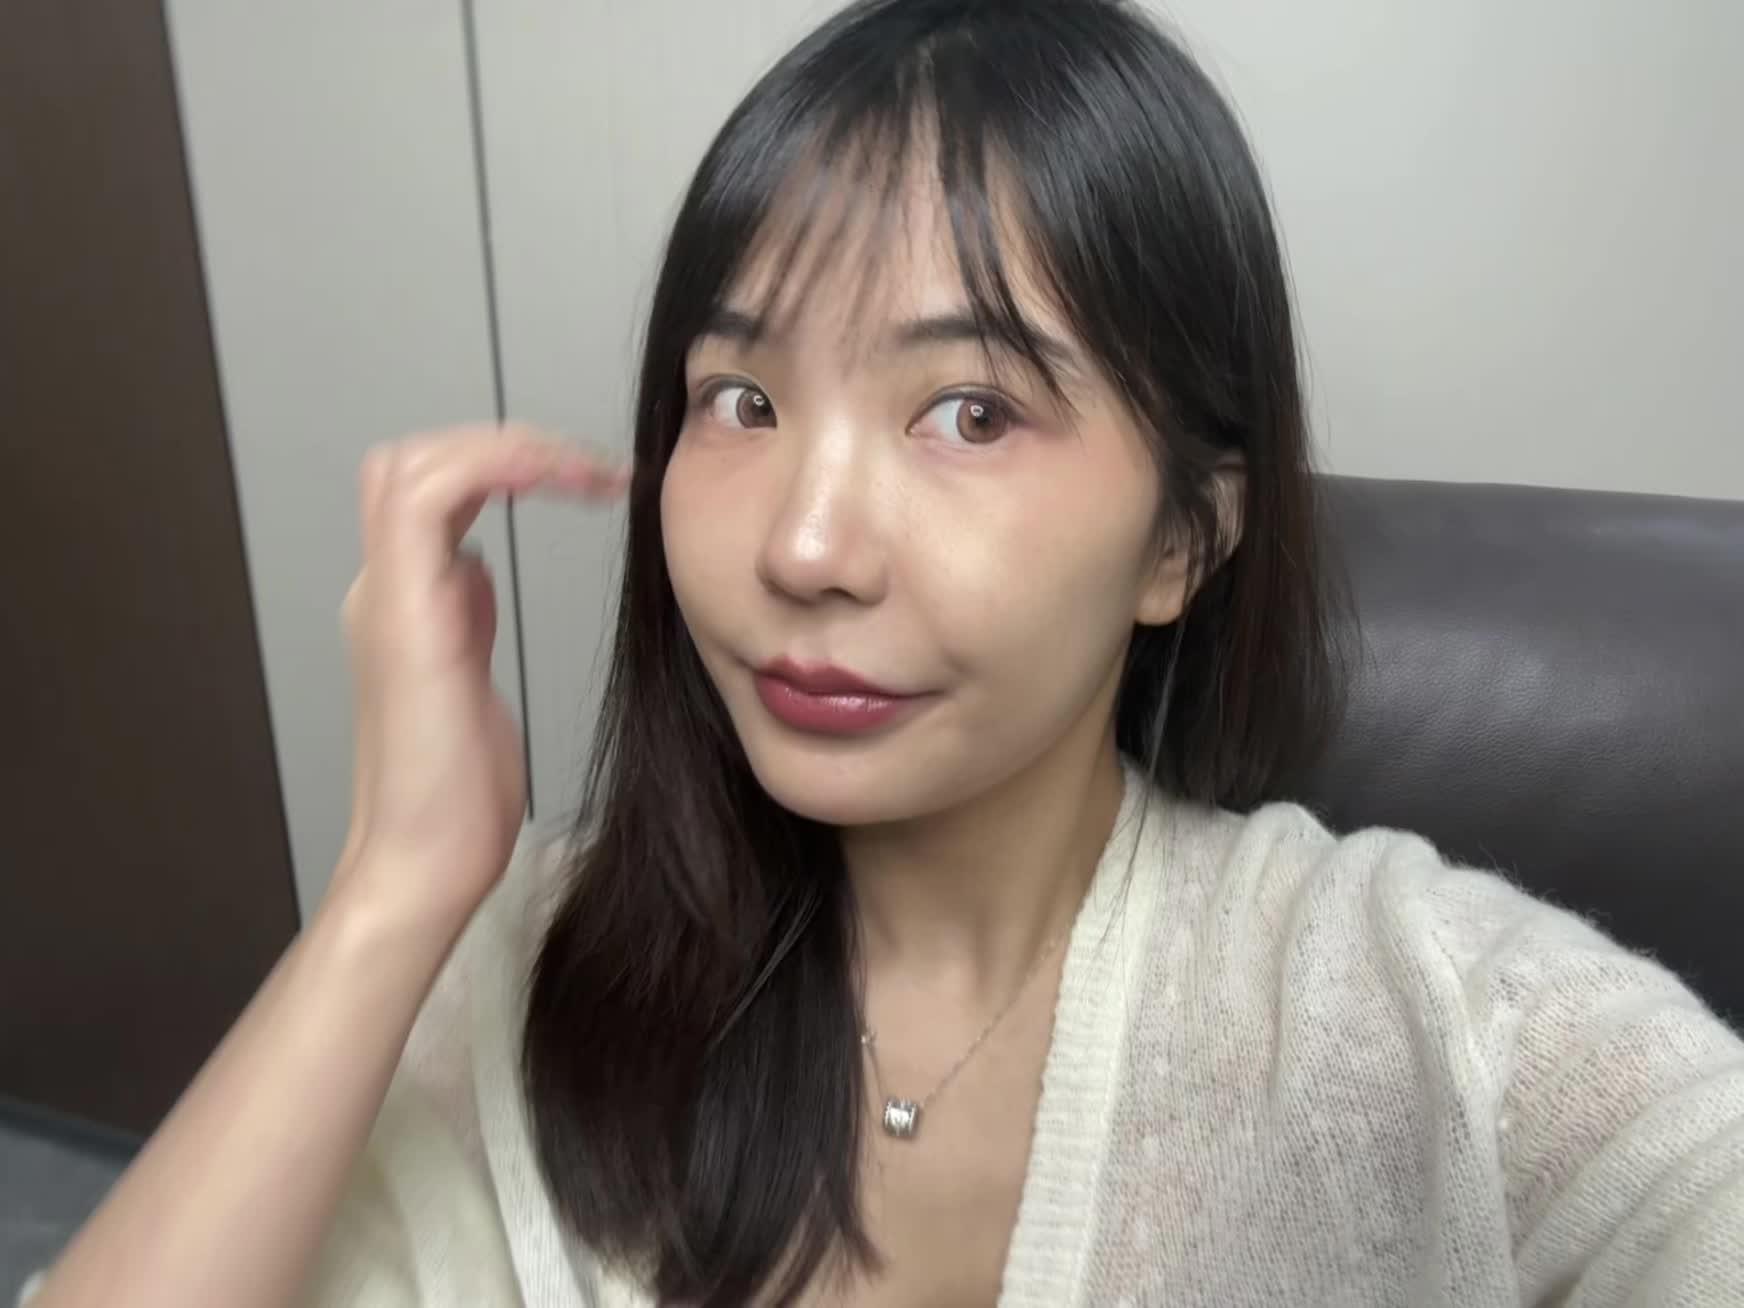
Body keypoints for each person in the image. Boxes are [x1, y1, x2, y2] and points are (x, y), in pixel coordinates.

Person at [28, 0, 1744, 1305]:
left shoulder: (1414, 1017)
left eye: (969, 411)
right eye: (742, 399)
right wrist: (393, 893)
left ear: (1181, 540)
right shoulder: (533, 969)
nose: (804, 546)